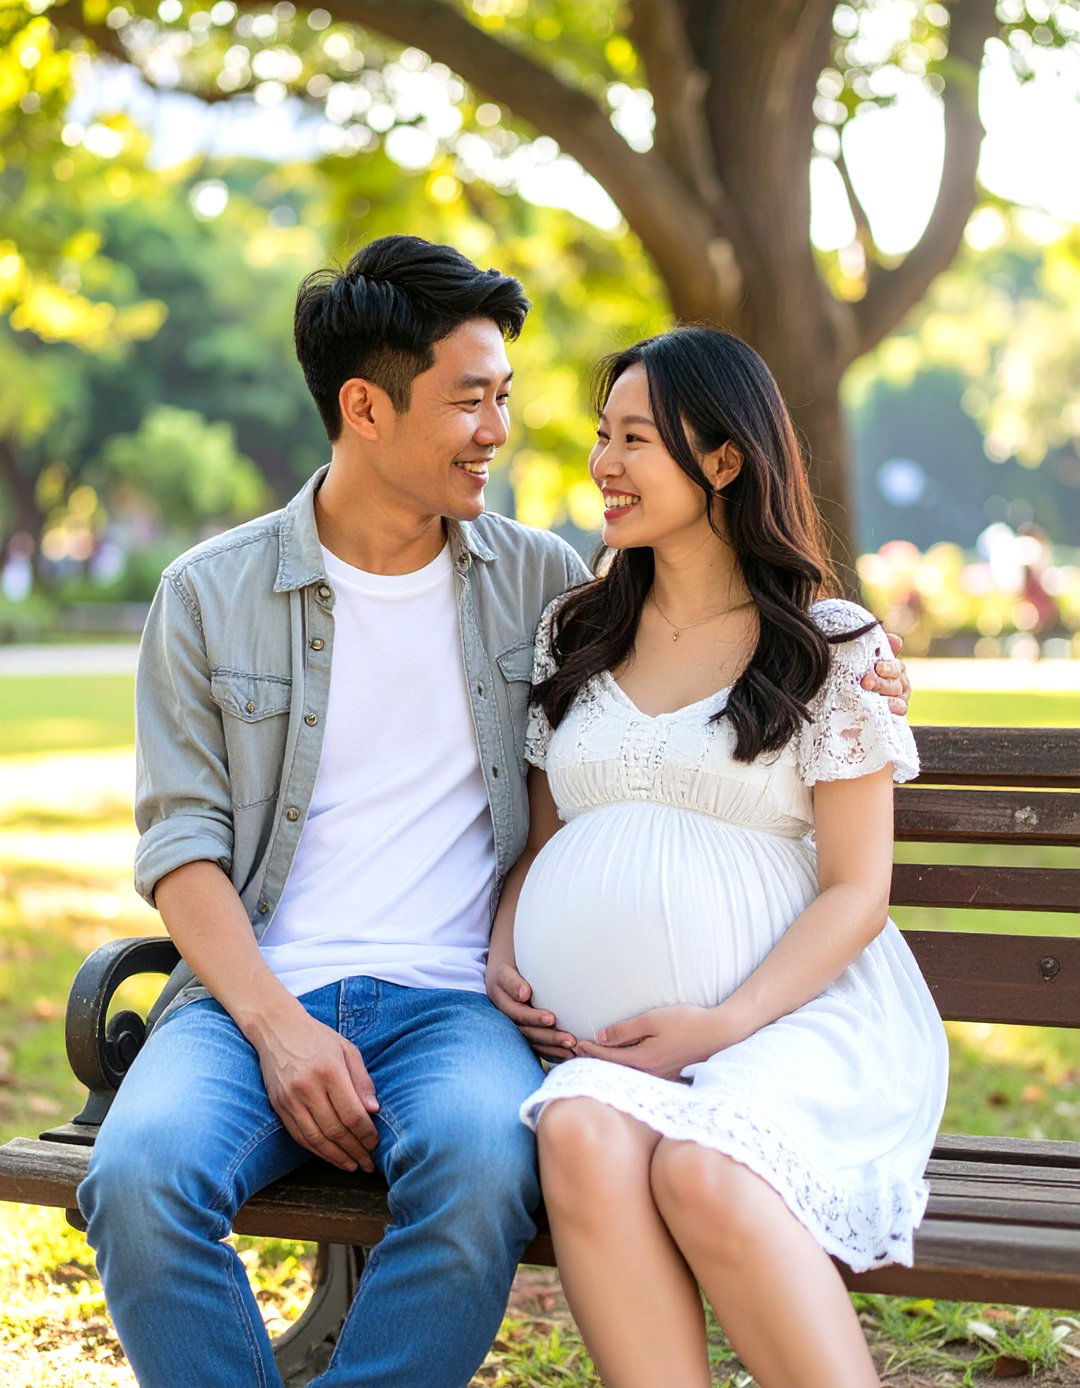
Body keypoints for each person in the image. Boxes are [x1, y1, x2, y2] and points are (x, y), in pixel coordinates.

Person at [76, 236, 912, 1388]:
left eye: (506, 397)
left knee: (480, 1169)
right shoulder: (210, 595)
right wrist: (277, 1024)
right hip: (251, 994)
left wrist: (849, 656)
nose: (502, 430)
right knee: (137, 1178)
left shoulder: (542, 584)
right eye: (471, 400)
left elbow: (719, 649)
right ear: (366, 407)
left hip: (455, 1002)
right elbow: (181, 849)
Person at [485, 327, 948, 1388]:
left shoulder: (829, 647)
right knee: (580, 1137)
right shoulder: (578, 630)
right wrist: (507, 950)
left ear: (725, 458)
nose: (603, 461)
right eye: (603, 435)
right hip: (599, 1051)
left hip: (794, 1021)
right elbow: (549, 840)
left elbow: (856, 890)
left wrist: (722, 1022)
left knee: (705, 1170)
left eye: (635, 437)